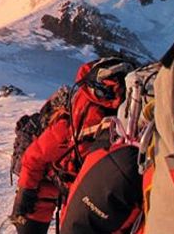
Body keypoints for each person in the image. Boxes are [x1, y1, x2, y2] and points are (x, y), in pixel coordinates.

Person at [9, 58, 132, 234]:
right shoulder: (69, 126)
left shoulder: (89, 120)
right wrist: (26, 193)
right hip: (49, 182)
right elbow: (34, 157)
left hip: (73, 184)